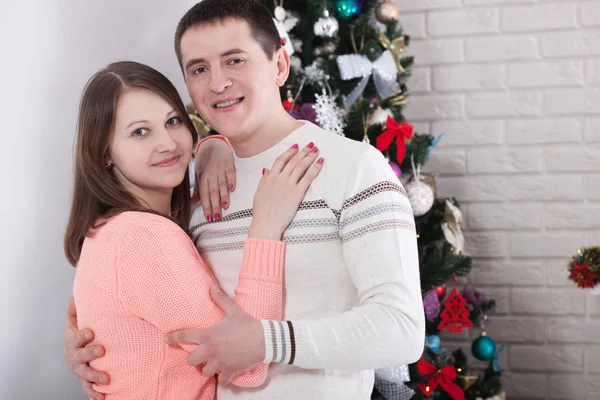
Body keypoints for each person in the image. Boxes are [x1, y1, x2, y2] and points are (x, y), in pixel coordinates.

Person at [66, 1, 425, 399]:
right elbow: (134, 301)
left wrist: (267, 341)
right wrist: (90, 342)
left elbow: (402, 331)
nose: (218, 83)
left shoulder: (352, 167)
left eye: (235, 60)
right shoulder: (197, 193)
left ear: (280, 66)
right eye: (200, 68)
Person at [64, 61, 323, 399]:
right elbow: (246, 365)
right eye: (140, 132)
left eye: (173, 121)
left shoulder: (106, 230)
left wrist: (212, 144)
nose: (168, 144)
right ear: (104, 154)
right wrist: (265, 228)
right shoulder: (145, 237)